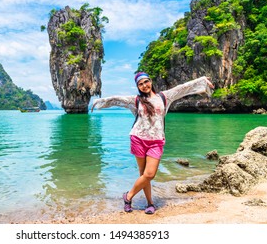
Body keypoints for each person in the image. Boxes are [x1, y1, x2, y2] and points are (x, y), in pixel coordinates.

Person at [91, 72, 214, 214]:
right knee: (143, 174)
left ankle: (128, 196)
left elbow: (183, 88)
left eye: (146, 82)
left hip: (156, 141)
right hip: (138, 139)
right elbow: (116, 99)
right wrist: (97, 102)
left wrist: (202, 81)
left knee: (149, 174)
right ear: (138, 87)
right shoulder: (136, 100)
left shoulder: (164, 97)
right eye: (140, 84)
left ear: (151, 81)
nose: (144, 86)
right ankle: (150, 203)